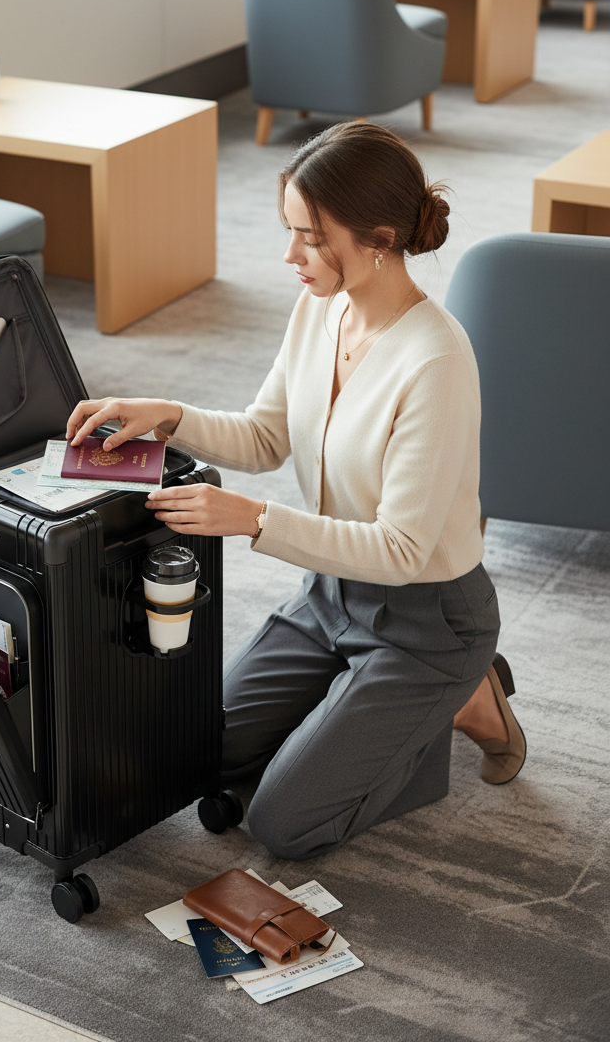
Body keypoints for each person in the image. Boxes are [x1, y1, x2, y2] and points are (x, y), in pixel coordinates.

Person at [66, 120, 526, 861]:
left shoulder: (435, 360)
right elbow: (265, 436)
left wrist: (251, 521)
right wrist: (169, 416)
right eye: (291, 232)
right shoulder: (319, 306)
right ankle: (361, 714)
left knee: (285, 824)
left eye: (310, 238)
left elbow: (403, 549)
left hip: (426, 621)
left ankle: (458, 700)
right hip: (329, 595)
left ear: (377, 239)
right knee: (200, 757)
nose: (290, 256)